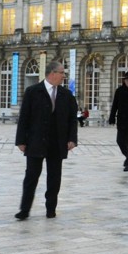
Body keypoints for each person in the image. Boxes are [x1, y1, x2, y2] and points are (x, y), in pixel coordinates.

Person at [14, 61, 78, 220]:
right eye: (61, 73)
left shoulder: (67, 95)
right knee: (31, 177)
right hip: (36, 140)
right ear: (52, 73)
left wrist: (72, 139)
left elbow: (72, 120)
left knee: (54, 178)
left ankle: (51, 208)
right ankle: (25, 209)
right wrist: (21, 140)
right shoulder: (33, 91)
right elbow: (24, 118)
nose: (64, 76)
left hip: (57, 142)